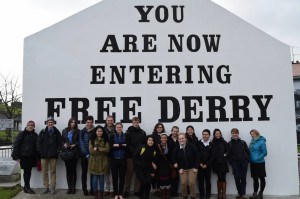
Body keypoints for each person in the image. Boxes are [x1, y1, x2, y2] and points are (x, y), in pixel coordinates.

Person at [36, 116, 62, 195]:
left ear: (54, 123)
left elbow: (59, 143)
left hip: (53, 156)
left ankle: (52, 187)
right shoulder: (43, 132)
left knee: (53, 171)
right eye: (49, 122)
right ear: (47, 123)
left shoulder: (57, 132)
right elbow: (38, 143)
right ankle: (46, 187)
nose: (50, 123)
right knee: (44, 172)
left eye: (51, 122)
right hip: (44, 156)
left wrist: (57, 151)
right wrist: (41, 152)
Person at [12, 120, 38, 194]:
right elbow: (16, 145)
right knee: (26, 172)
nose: (30, 126)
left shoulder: (35, 135)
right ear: (26, 125)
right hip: (24, 156)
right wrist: (16, 157)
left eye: (32, 125)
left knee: (28, 172)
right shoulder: (22, 134)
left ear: (34, 126)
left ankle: (26, 187)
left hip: (31, 156)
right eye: (29, 125)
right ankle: (27, 187)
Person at [124, 117, 146, 198]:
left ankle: (137, 190)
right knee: (128, 174)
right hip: (130, 157)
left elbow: (144, 145)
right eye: (134, 122)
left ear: (139, 122)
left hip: (140, 157)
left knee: (138, 174)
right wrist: (134, 152)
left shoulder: (143, 133)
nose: (136, 124)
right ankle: (126, 190)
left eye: (137, 122)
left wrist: (139, 153)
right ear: (132, 123)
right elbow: (127, 144)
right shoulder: (128, 132)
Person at [172, 133, 200, 199]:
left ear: (186, 139)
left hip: (192, 168)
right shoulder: (176, 148)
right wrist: (178, 168)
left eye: (183, 138)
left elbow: (197, 156)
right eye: (180, 139)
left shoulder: (191, 146)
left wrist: (196, 167)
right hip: (182, 169)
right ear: (178, 140)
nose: (181, 140)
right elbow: (173, 158)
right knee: (183, 183)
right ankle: (185, 196)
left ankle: (193, 196)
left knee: (191, 183)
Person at [89, 125, 110, 199]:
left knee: (101, 179)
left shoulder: (105, 140)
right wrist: (101, 150)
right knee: (94, 180)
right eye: (98, 131)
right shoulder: (92, 140)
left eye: (101, 131)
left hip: (103, 162)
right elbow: (91, 151)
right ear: (95, 132)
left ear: (103, 132)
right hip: (94, 162)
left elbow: (107, 150)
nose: (99, 132)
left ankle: (101, 194)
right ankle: (95, 194)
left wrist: (98, 148)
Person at [228, 128, 250, 199]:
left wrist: (247, 161)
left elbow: (247, 152)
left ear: (238, 134)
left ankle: (243, 194)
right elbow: (228, 154)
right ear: (231, 134)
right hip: (235, 163)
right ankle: (240, 193)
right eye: (233, 133)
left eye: (236, 133)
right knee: (237, 178)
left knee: (243, 178)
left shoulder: (243, 142)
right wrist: (231, 162)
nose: (234, 134)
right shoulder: (229, 143)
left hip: (244, 163)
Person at [61, 117, 80, 194]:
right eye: (72, 122)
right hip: (66, 153)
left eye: (74, 122)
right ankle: (69, 188)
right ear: (69, 123)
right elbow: (61, 140)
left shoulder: (78, 131)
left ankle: (73, 188)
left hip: (74, 153)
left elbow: (79, 141)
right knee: (68, 170)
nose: (73, 124)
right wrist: (64, 144)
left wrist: (74, 145)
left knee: (73, 170)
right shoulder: (64, 130)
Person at [109, 122, 127, 199]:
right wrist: (121, 145)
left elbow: (127, 147)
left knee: (122, 177)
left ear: (122, 128)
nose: (118, 129)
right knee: (115, 177)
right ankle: (116, 194)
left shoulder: (125, 136)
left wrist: (117, 145)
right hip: (114, 159)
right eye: (117, 127)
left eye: (120, 127)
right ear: (115, 128)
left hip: (123, 159)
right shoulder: (112, 136)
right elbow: (110, 147)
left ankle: (120, 194)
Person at [249, 129, 267, 199]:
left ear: (257, 134)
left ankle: (261, 193)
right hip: (253, 163)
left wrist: (257, 158)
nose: (252, 135)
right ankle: (255, 193)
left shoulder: (261, 141)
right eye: (251, 134)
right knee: (255, 179)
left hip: (260, 163)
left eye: (253, 134)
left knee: (261, 178)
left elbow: (264, 152)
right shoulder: (252, 141)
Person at [79, 115, 95, 196]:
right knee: (84, 173)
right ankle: (84, 189)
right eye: (88, 122)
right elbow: (81, 144)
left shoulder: (95, 131)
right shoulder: (82, 131)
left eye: (90, 122)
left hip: (93, 155)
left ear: (93, 122)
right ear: (85, 122)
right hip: (84, 156)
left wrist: (91, 154)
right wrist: (87, 155)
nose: (89, 124)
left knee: (93, 173)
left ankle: (92, 189)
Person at [212, 129, 229, 199]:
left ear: (221, 134)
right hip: (216, 163)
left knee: (223, 177)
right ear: (214, 135)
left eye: (219, 133)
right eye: (216, 134)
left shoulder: (224, 142)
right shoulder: (212, 142)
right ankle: (219, 193)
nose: (218, 135)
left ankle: (224, 193)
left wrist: (225, 154)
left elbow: (228, 151)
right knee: (219, 177)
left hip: (223, 163)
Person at [197, 129, 214, 199]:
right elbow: (196, 154)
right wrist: (200, 163)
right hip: (200, 165)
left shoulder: (212, 144)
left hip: (208, 166)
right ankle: (201, 194)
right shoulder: (198, 143)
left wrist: (207, 164)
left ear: (209, 135)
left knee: (207, 180)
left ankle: (208, 194)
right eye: (203, 134)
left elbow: (213, 156)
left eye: (206, 134)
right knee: (200, 181)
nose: (204, 136)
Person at [151, 122, 166, 197]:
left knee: (160, 175)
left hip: (162, 159)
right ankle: (154, 190)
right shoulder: (152, 136)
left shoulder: (165, 136)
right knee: (154, 174)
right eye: (158, 127)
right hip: (154, 158)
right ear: (156, 128)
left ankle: (160, 189)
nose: (160, 128)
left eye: (161, 127)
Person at [157, 133, 172, 199]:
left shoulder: (169, 145)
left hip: (168, 166)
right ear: (160, 139)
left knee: (167, 180)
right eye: (162, 138)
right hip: (160, 166)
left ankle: (168, 194)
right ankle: (163, 194)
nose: (163, 139)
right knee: (161, 180)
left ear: (167, 139)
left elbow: (172, 155)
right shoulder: (158, 146)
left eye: (165, 138)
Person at [104, 115, 115, 196]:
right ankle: (106, 188)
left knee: (112, 172)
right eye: (108, 120)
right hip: (104, 154)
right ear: (106, 121)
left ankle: (112, 189)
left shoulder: (116, 129)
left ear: (113, 121)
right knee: (106, 172)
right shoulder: (103, 130)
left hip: (114, 154)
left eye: (111, 120)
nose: (109, 121)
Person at [168, 126, 179, 197]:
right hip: (169, 161)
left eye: (176, 131)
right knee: (170, 177)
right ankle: (170, 193)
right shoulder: (168, 139)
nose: (175, 132)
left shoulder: (179, 139)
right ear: (172, 131)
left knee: (176, 178)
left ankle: (175, 192)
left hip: (178, 162)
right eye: (174, 131)